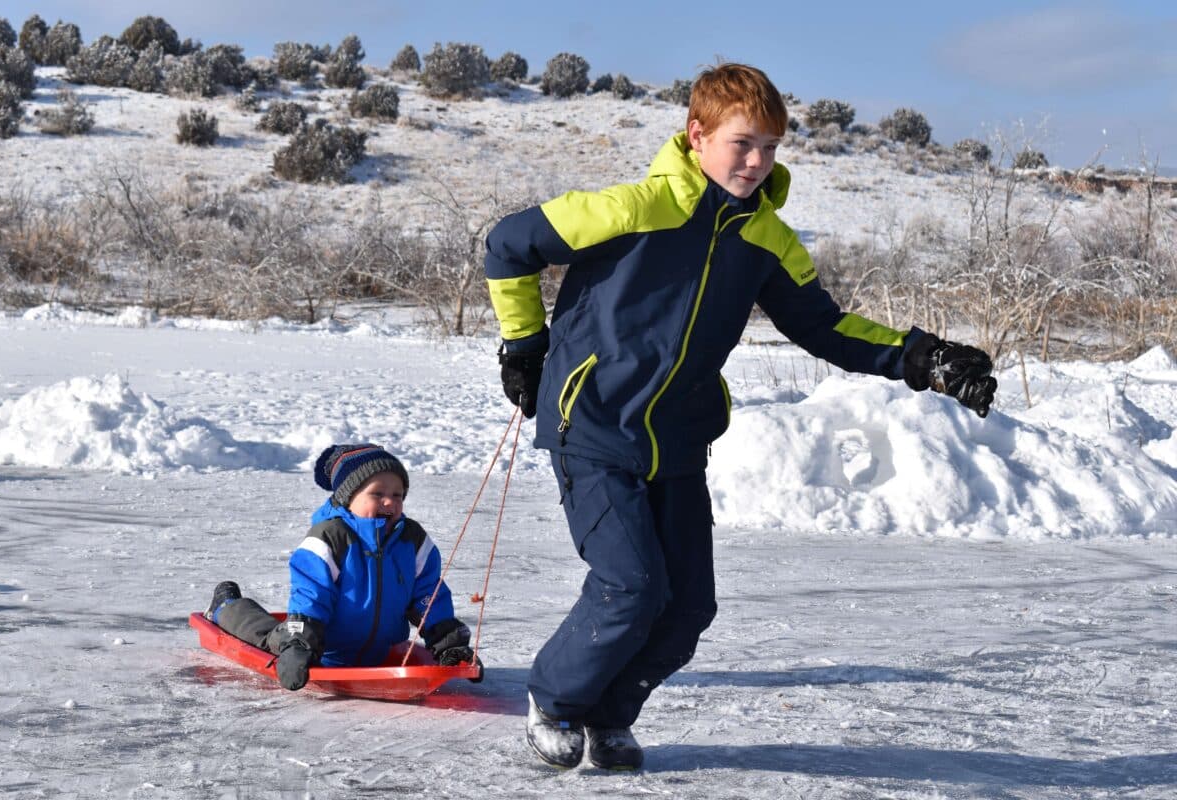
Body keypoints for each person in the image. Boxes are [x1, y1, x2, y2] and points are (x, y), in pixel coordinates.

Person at [483, 62, 995, 770]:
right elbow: (508, 245)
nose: (757, 162)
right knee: (631, 586)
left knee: (688, 606)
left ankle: (609, 716)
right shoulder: (633, 208)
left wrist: (924, 358)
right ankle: (556, 701)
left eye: (771, 148)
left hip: (680, 440)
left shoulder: (767, 241)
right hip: (594, 428)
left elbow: (828, 328)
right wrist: (525, 345)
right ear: (697, 136)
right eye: (742, 143)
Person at [205, 443, 482, 691]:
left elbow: (428, 596)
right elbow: (311, 597)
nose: (390, 502)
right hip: (318, 644)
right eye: (378, 493)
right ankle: (227, 605)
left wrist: (450, 643)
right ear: (349, 498)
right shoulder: (330, 538)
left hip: (376, 651)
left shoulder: (412, 541)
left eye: (398, 494)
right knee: (267, 636)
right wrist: (299, 646)